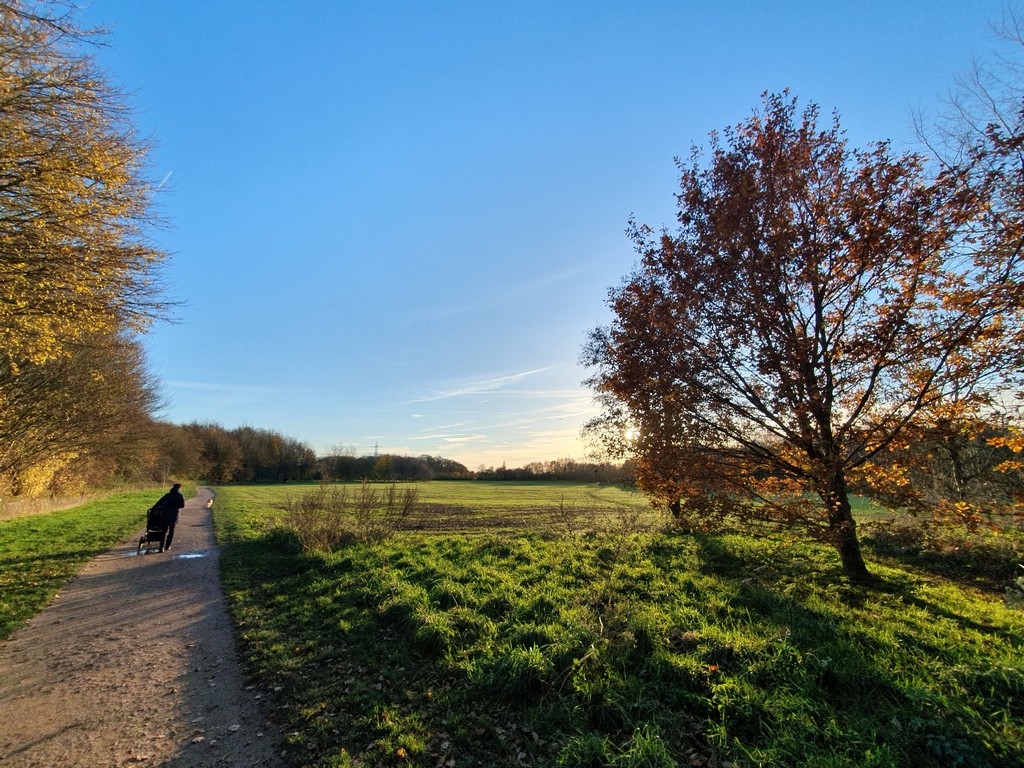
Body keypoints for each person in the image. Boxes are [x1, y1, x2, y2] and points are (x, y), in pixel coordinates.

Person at [152, 483, 185, 551]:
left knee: (164, 531)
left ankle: (161, 547)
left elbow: (159, 502)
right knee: (171, 531)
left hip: (165, 514)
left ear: (173, 487)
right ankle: (168, 546)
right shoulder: (180, 495)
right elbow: (182, 505)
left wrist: (154, 508)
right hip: (174, 514)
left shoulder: (167, 495)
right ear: (180, 488)